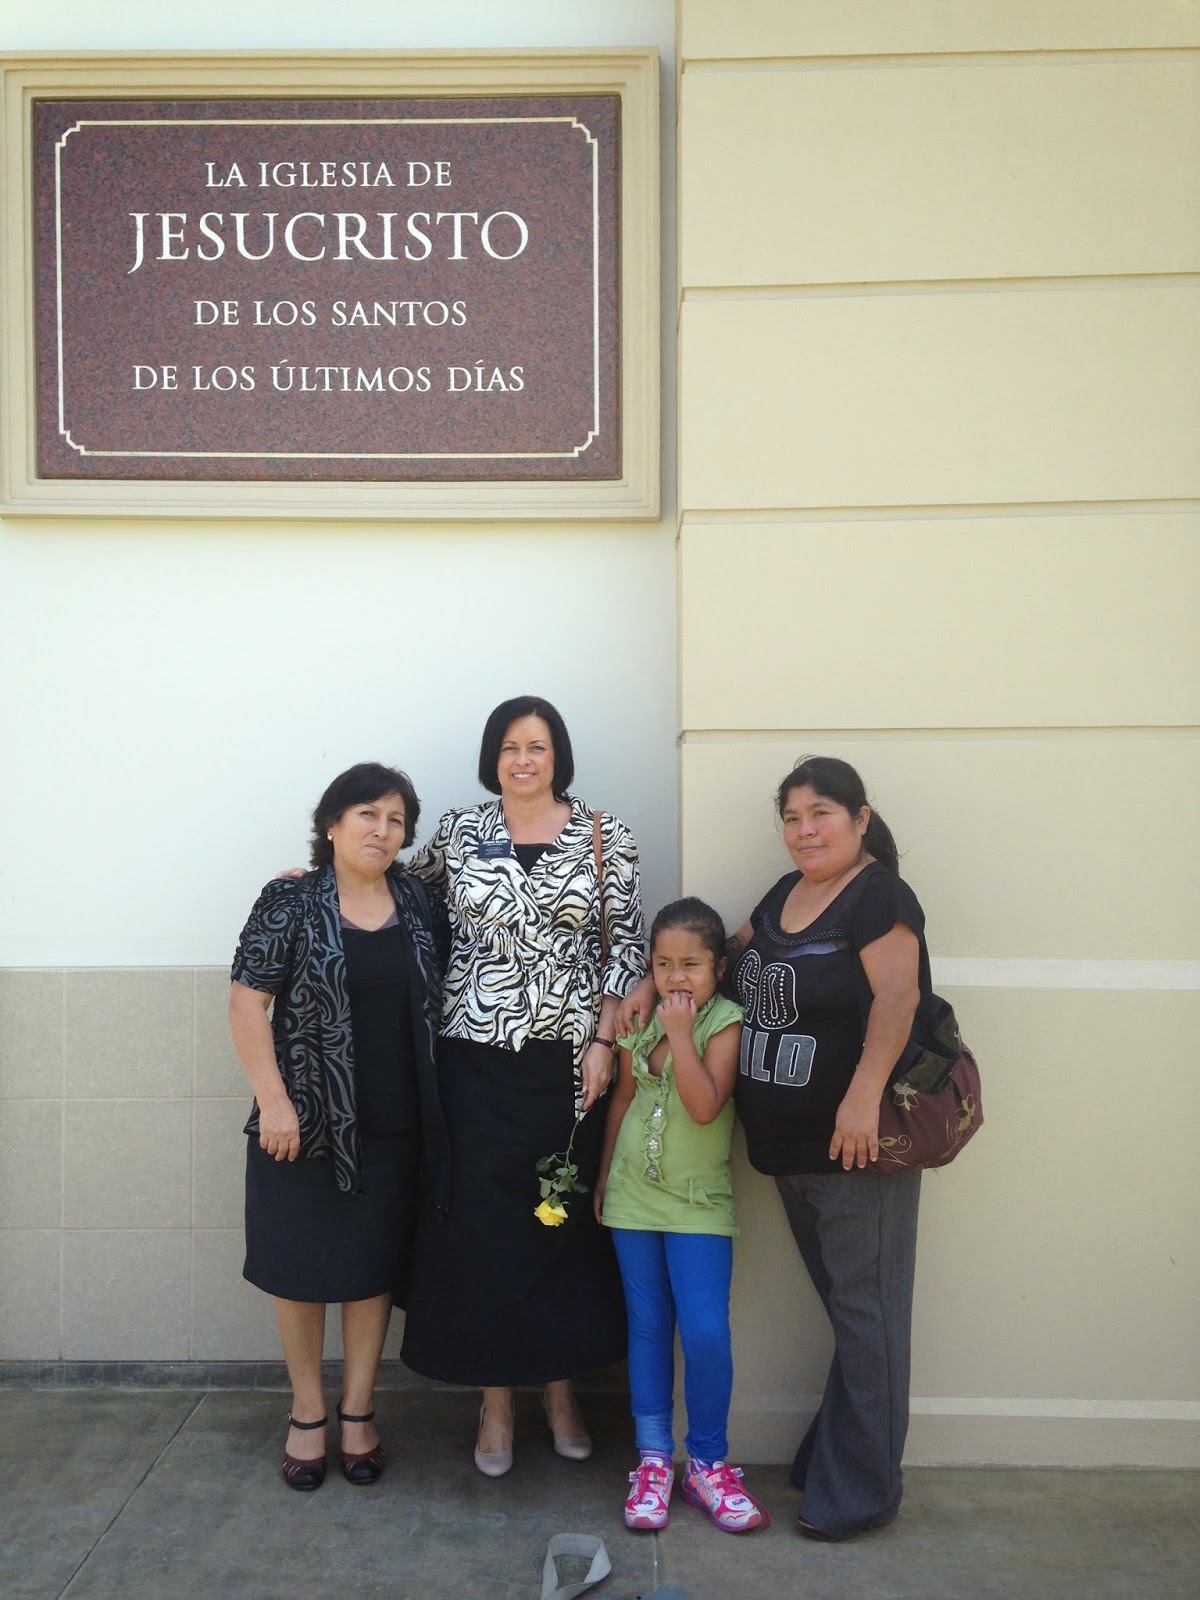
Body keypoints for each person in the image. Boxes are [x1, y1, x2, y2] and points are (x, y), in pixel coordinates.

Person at [617, 756, 928, 1542]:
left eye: (821, 814)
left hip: (852, 1149)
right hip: (790, 1153)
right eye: (792, 817)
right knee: (851, 1312)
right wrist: (653, 984)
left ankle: (859, 1493)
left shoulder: (879, 896)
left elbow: (898, 997)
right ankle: (830, 1455)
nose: (804, 830)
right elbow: (716, 955)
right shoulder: (786, 894)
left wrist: (861, 1097)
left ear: (860, 819)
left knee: (870, 1317)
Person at [399, 695, 645, 1475]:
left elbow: (625, 947)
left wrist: (604, 1042)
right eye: (510, 746)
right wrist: (315, 878)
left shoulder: (604, 834)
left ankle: (561, 1392)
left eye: (536, 746)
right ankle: (496, 1401)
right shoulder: (460, 831)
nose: (523, 760)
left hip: (567, 1061)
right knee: (485, 1231)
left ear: (557, 755)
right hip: (470, 1057)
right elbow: (398, 891)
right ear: (493, 757)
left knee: (558, 1224)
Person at [229, 762, 448, 1491]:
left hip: (395, 1125)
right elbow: (245, 1002)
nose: (382, 830)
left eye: (396, 820)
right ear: (332, 823)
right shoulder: (291, 900)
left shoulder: (418, 900)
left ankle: (358, 1413)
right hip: (302, 1124)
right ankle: (306, 1412)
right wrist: (274, 1102)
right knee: (299, 1271)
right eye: (367, 815)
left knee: (369, 1272)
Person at [596, 897, 769, 1535]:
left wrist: (676, 1033)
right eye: (663, 963)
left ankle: (708, 1465)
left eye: (691, 964)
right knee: (647, 1327)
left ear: (718, 968)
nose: (675, 977)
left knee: (704, 1331)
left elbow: (703, 1107)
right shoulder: (638, 1017)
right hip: (633, 1198)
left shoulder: (724, 1021)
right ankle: (652, 1461)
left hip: (699, 1203)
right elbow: (622, 1099)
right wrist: (603, 1178)